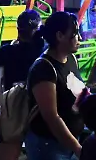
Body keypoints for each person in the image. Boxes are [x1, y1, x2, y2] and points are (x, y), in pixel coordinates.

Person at [27, 11, 85, 160]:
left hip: (70, 142)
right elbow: (52, 117)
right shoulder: (44, 68)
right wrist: (77, 148)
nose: (80, 38)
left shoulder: (71, 59)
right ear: (60, 36)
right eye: (75, 34)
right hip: (49, 145)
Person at [0, 9, 44, 160]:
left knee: (9, 149)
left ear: (18, 29)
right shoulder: (44, 51)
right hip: (38, 105)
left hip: (12, 104)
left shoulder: (7, 51)